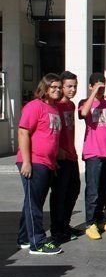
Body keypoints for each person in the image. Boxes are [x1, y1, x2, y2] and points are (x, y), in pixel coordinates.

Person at [16, 74, 64, 255]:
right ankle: (37, 243)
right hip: (33, 161)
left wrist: (54, 160)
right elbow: (23, 133)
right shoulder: (34, 106)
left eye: (59, 87)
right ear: (44, 88)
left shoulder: (54, 108)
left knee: (32, 202)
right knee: (34, 203)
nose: (57, 90)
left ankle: (24, 238)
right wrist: (27, 162)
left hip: (47, 163)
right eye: (53, 87)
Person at [79, 72, 106, 239]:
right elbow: (84, 113)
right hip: (93, 153)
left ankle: (101, 219)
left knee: (105, 189)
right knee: (93, 191)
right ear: (90, 86)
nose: (102, 89)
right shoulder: (84, 103)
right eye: (98, 86)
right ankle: (90, 223)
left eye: (103, 86)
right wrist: (94, 92)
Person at [49, 71, 80, 243]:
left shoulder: (71, 105)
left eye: (75, 86)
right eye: (69, 86)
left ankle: (65, 225)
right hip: (60, 157)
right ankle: (56, 230)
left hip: (71, 155)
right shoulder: (55, 106)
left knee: (73, 190)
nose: (72, 89)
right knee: (59, 195)